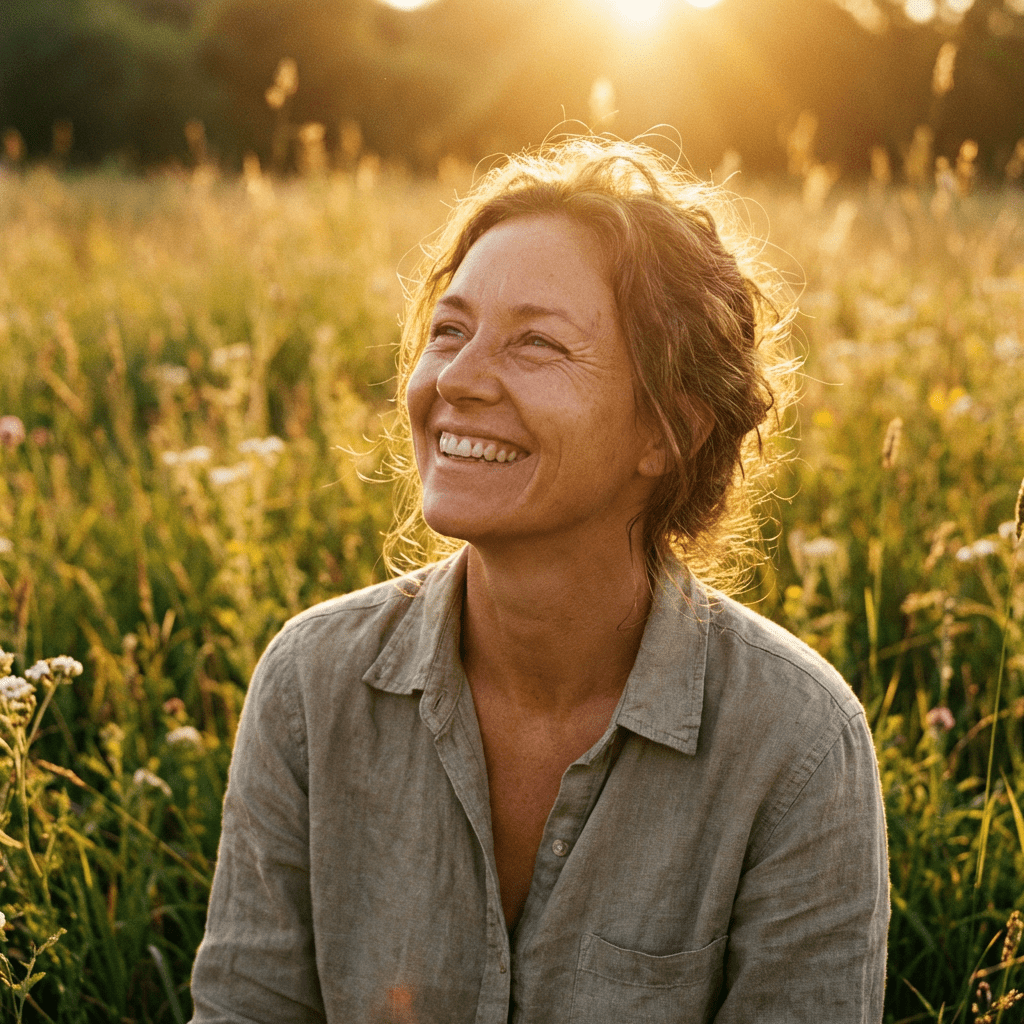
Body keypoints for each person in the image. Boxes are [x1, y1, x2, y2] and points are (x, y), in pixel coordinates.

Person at [190, 137, 889, 1023]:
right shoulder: (310, 683)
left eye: (536, 344)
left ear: (668, 431)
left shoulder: (795, 743)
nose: (457, 379)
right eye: (449, 330)